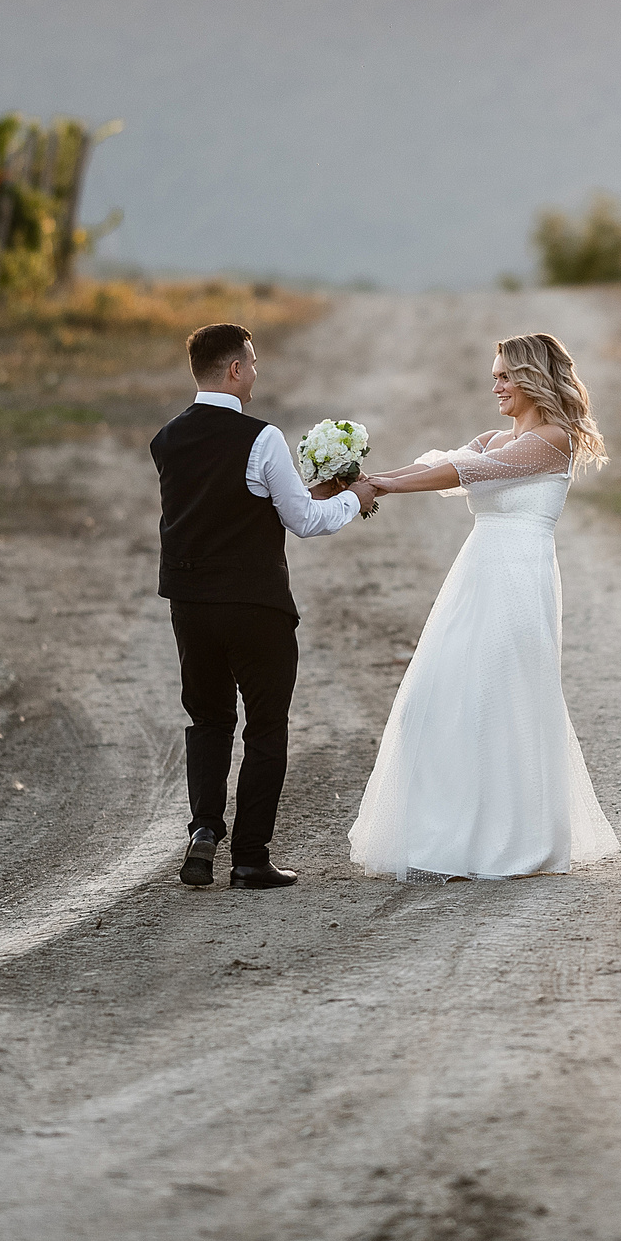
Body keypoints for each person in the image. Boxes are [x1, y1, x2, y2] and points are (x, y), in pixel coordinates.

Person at [347, 332, 621, 881]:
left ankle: (514, 839)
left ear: (531, 379)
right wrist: (365, 481)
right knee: (441, 692)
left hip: (520, 576)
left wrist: (378, 487)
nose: (494, 384)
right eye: (494, 374)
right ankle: (448, 830)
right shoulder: (494, 436)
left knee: (502, 695)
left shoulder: (551, 439)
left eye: (503, 375)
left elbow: (458, 474)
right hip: (476, 573)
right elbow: (439, 464)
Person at [152, 322, 378, 890]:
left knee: (207, 720)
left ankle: (204, 831)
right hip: (255, 605)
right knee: (266, 727)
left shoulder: (167, 440)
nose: (255, 373)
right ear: (234, 370)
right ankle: (250, 857)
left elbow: (228, 504)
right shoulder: (262, 437)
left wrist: (315, 493)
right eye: (251, 363)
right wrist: (355, 498)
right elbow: (302, 521)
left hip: (190, 604)